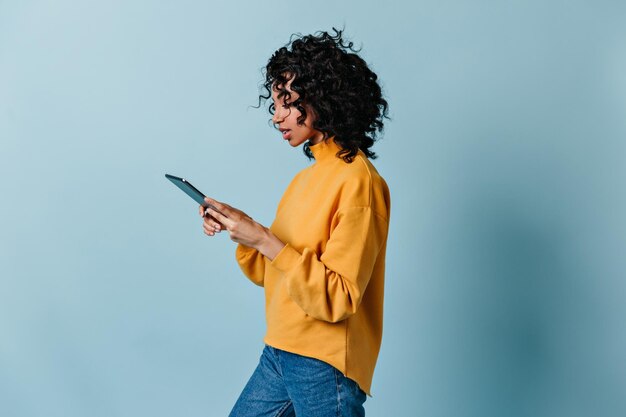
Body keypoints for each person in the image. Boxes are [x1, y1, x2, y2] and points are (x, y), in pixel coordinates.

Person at [199, 28, 390, 417]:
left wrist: (265, 239)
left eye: (286, 102)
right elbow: (273, 272)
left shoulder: (359, 183)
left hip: (324, 364)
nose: (277, 116)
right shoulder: (306, 179)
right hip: (280, 352)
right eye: (274, 105)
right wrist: (243, 229)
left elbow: (338, 298)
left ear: (322, 97)